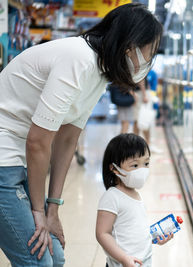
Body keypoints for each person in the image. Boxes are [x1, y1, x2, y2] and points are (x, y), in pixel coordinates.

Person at [0, 3, 162, 266]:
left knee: (56, 255)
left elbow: (67, 139)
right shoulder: (78, 59)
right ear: (129, 46)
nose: (149, 60)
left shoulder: (99, 73)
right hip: (4, 154)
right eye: (149, 51)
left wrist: (53, 208)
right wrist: (38, 212)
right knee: (39, 260)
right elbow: (38, 141)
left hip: (18, 159)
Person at [96, 133, 173, 267]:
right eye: (135, 165)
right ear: (114, 168)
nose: (142, 170)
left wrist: (154, 237)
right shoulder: (112, 196)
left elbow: (132, 228)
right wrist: (124, 258)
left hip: (143, 262)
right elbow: (102, 233)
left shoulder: (136, 194)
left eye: (146, 163)